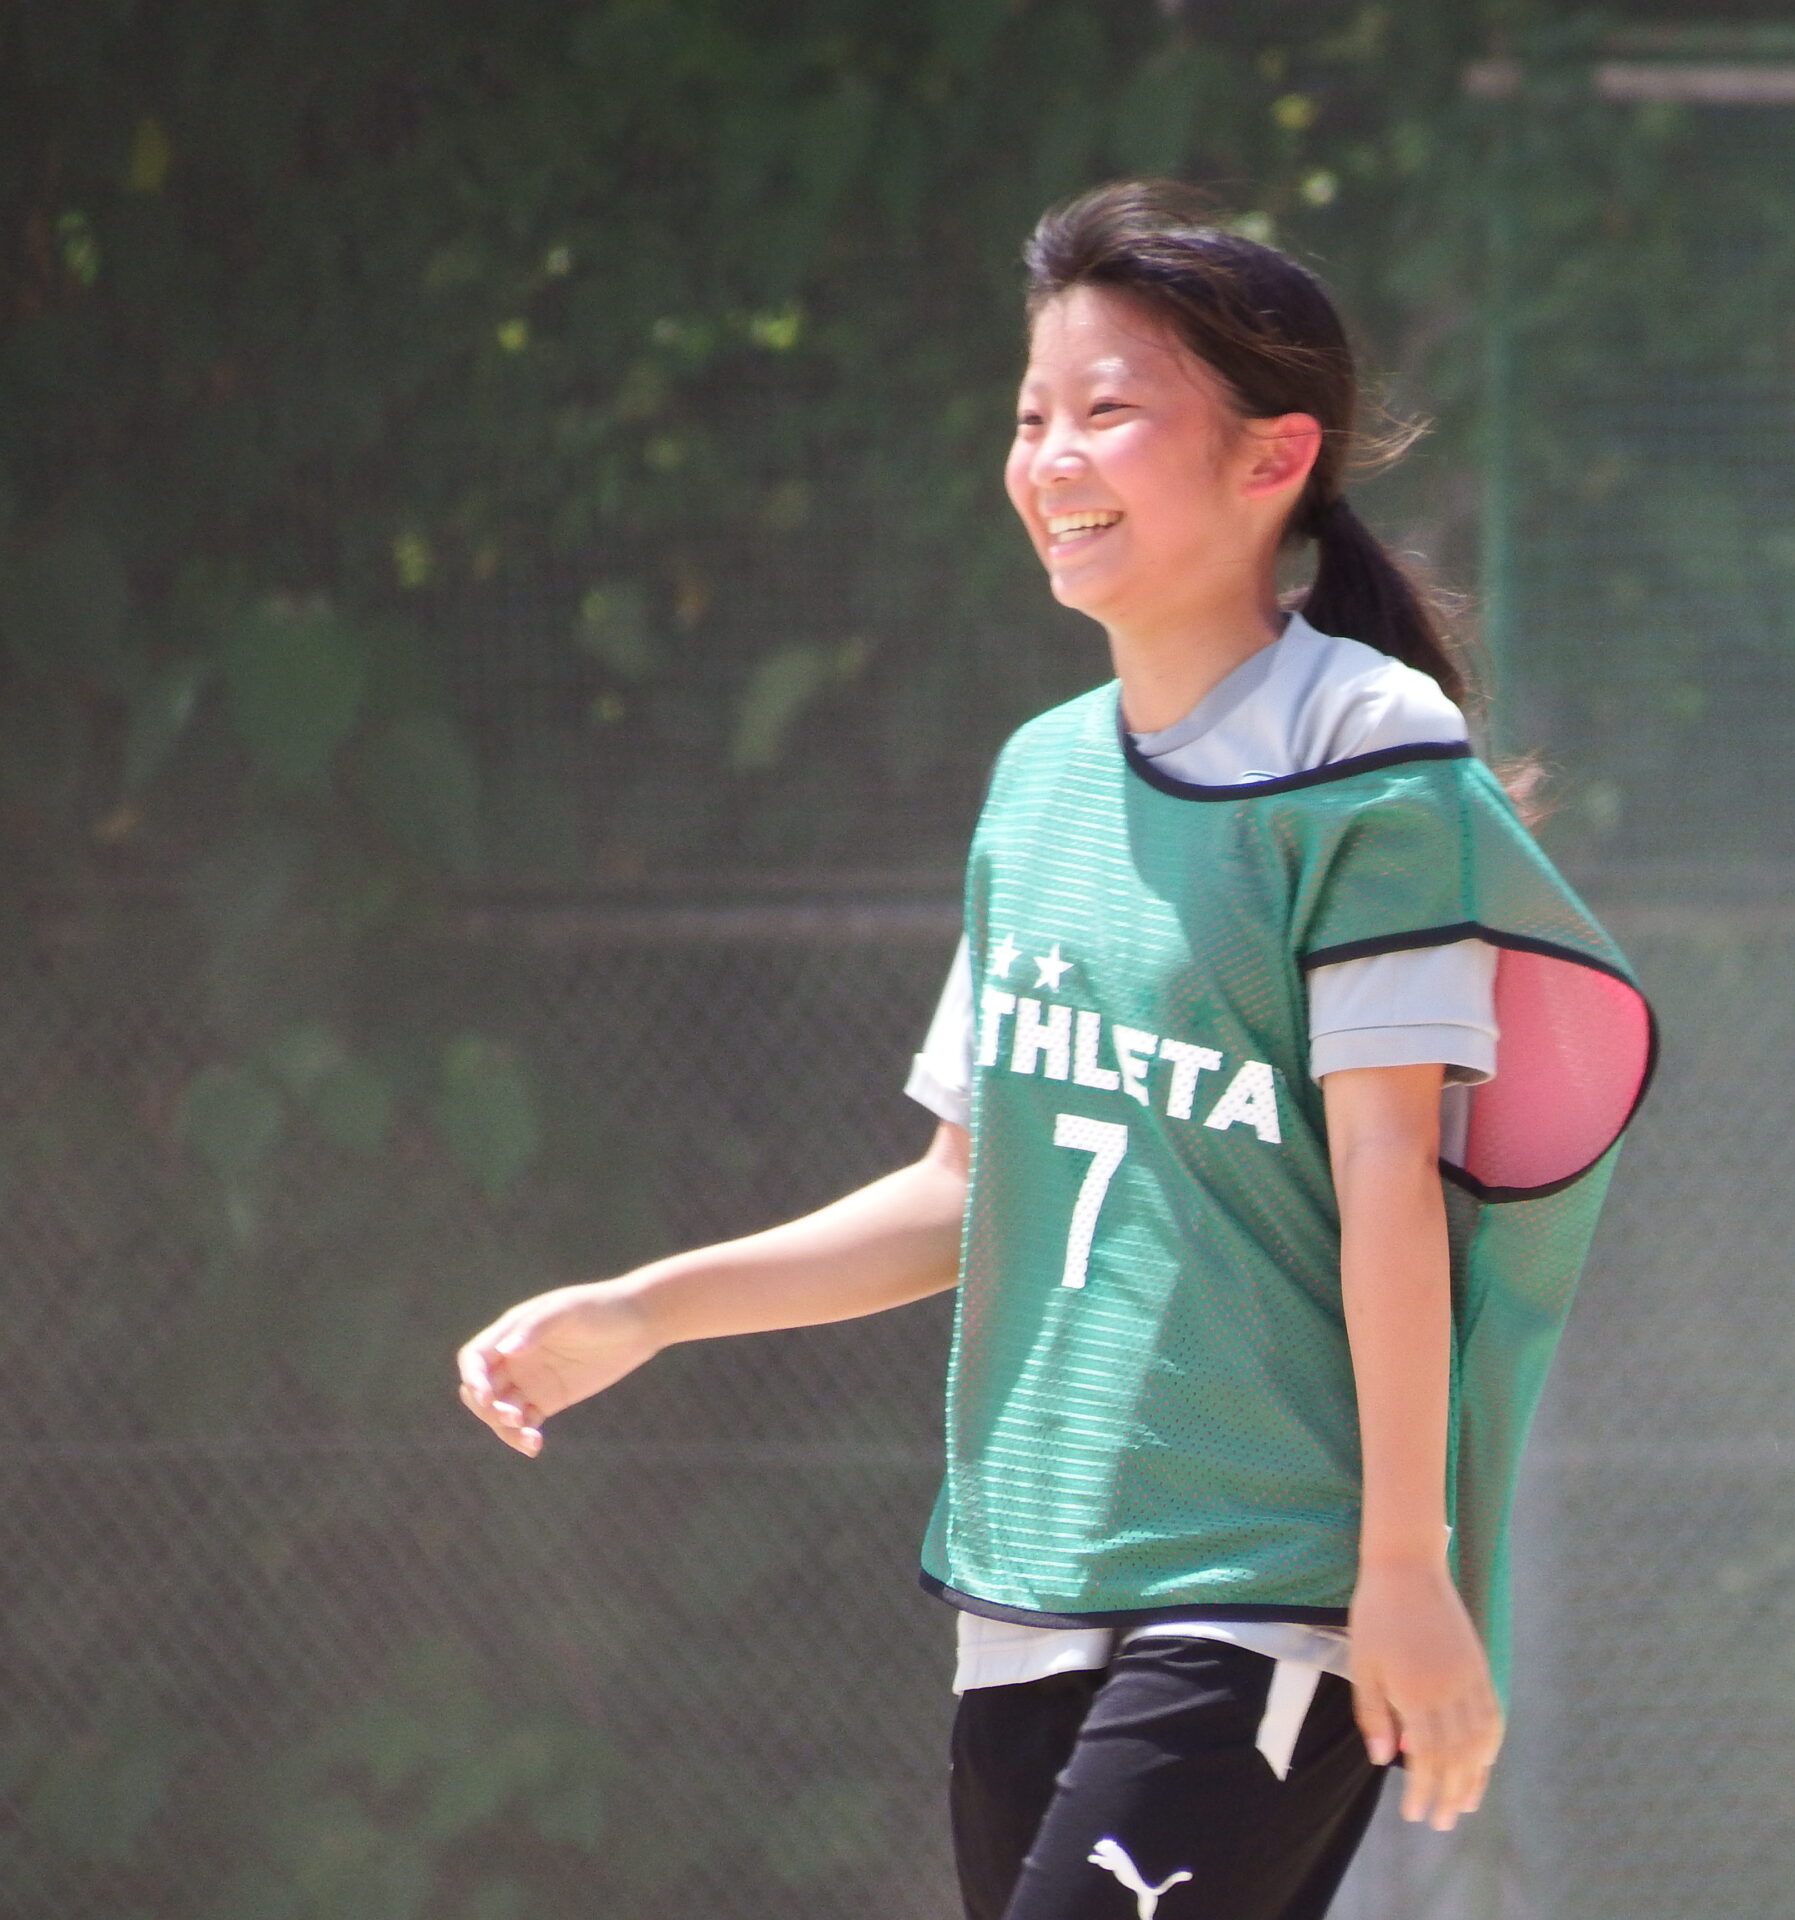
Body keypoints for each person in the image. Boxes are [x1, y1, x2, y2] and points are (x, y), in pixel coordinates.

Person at [456, 179, 1653, 1920]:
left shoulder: (1362, 750)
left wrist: (1405, 1564)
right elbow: (966, 1191)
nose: (1052, 460)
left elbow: (1393, 1177)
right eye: (1032, 417)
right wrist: (648, 1308)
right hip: (1029, 1576)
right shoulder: (1038, 780)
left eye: (1108, 411)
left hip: (1264, 1580)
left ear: (1273, 459)